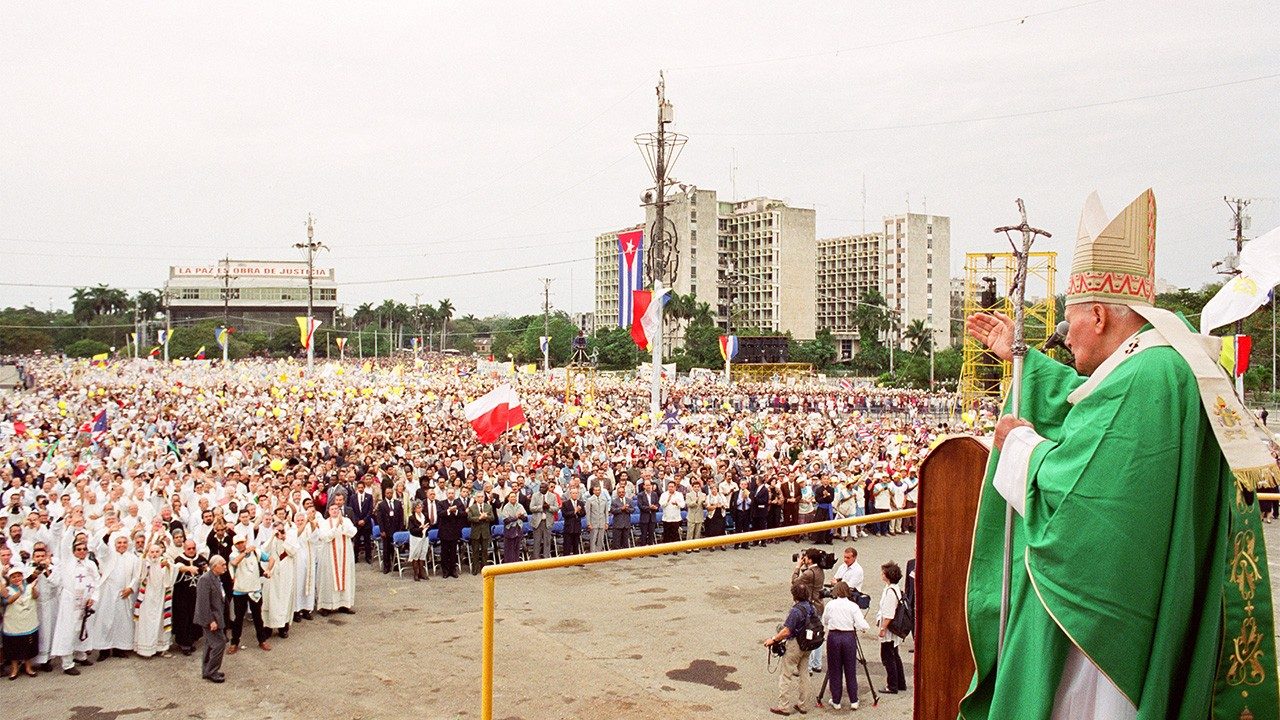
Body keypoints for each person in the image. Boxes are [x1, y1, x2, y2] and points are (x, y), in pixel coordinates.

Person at [963, 189, 1279, 718]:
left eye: (1071, 319)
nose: (1065, 336)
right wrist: (1024, 362)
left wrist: (1018, 445)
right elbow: (1096, 416)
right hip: (1158, 586)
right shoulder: (1163, 362)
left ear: (1102, 317)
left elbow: (1084, 493)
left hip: (1111, 626)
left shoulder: (1145, 376)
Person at [762, 583, 815, 716]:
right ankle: (803, 705)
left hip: (795, 644)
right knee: (804, 673)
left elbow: (787, 631)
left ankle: (784, 706)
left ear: (794, 595)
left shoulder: (796, 611)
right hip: (808, 644)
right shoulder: (811, 607)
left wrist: (773, 640)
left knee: (786, 675)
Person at [50, 535, 98, 675]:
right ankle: (67, 664)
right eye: (78, 549)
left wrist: (93, 598)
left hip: (86, 602)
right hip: (70, 603)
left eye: (84, 549)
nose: (82, 551)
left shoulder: (91, 564)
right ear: (73, 551)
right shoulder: (67, 563)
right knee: (69, 631)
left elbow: (97, 581)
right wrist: (71, 524)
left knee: (83, 629)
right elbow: (64, 543)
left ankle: (81, 656)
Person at [821, 581, 870, 711]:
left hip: (834, 637)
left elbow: (825, 621)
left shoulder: (831, 605)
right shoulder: (853, 606)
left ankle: (836, 700)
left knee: (834, 669)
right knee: (850, 669)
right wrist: (863, 627)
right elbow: (861, 624)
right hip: (848, 637)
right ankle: (854, 700)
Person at [92, 532, 137, 660]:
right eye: (119, 543)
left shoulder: (132, 558)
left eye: (124, 543)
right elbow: (102, 549)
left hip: (124, 593)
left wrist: (131, 588)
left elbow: (136, 575)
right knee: (106, 620)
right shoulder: (109, 555)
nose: (122, 545)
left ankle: (119, 649)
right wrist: (108, 534)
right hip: (108, 592)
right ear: (114, 544)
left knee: (122, 621)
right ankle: (104, 650)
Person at [227, 533, 271, 653]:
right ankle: (234, 642)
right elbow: (234, 562)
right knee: (238, 618)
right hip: (239, 591)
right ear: (235, 545)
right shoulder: (233, 554)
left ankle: (262, 640)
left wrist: (268, 570)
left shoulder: (256, 552)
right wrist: (245, 552)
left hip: (254, 590)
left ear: (245, 541)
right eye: (238, 543)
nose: (241, 545)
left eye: (242, 542)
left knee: (257, 617)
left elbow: (270, 558)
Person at [132, 541, 175, 658]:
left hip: (161, 597)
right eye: (152, 552)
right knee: (147, 622)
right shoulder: (145, 561)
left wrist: (168, 567)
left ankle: (161, 647)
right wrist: (145, 557)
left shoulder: (165, 561)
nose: (154, 554)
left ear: (161, 551)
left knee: (161, 621)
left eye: (157, 551)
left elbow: (172, 575)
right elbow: (140, 575)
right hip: (147, 597)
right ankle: (146, 649)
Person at [314, 503, 356, 614]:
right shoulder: (325, 523)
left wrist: (343, 527)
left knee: (345, 576)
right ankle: (326, 606)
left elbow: (353, 532)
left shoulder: (346, 521)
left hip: (345, 553)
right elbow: (325, 537)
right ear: (328, 511)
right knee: (329, 578)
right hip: (329, 554)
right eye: (332, 509)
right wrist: (336, 526)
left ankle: (344, 604)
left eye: (336, 509)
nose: (334, 511)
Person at [791, 547, 825, 675]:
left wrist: (797, 567)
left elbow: (795, 582)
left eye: (805, 557)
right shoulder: (819, 570)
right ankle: (817, 663)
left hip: (811, 607)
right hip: (819, 604)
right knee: (817, 633)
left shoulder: (809, 573)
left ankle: (808, 667)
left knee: (809, 636)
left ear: (810, 560)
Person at [193, 556, 227, 683]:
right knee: (219, 643)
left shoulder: (216, 577)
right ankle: (212, 671)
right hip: (210, 618)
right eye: (222, 564)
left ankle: (207, 670)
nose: (225, 567)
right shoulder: (205, 580)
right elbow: (203, 602)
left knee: (209, 643)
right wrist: (210, 620)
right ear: (214, 566)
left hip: (216, 616)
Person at [171, 539, 207, 655]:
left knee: (194, 618)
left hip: (196, 596)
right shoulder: (179, 559)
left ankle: (191, 640)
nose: (191, 551)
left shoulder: (200, 559)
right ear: (184, 548)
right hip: (182, 596)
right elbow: (178, 568)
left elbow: (207, 569)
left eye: (193, 548)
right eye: (189, 549)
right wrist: (188, 569)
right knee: (183, 619)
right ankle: (183, 643)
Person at [875, 561, 907, 695]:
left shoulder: (890, 592)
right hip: (894, 629)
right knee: (895, 654)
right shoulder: (895, 588)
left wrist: (882, 628)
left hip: (889, 629)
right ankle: (901, 683)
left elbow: (888, 614)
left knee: (888, 656)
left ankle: (892, 685)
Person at [2, 565, 39, 679]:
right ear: (10, 579)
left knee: (28, 646)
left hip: (28, 623)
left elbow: (36, 596)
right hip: (13, 625)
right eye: (14, 577)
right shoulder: (7, 590)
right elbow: (7, 601)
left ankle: (28, 667)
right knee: (14, 647)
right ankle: (14, 669)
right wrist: (19, 592)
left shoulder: (29, 586)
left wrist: (33, 588)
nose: (17, 578)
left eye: (19, 576)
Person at [261, 521, 296, 638]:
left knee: (285, 600)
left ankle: (283, 628)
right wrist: (272, 537)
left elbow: (293, 552)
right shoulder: (271, 539)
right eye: (277, 530)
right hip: (273, 573)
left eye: (281, 530)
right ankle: (268, 628)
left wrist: (284, 539)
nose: (279, 533)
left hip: (286, 573)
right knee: (270, 600)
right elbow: (264, 550)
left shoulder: (290, 538)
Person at [436, 487, 466, 578]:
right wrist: (449, 510)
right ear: (446, 494)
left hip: (454, 532)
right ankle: (445, 571)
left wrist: (456, 511)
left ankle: (453, 570)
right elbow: (440, 513)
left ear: (454, 494)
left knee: (453, 552)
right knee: (444, 552)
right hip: (444, 532)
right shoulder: (441, 503)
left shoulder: (458, 503)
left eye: (452, 493)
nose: (451, 495)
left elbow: (463, 514)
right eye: (449, 493)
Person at [373, 487, 403, 574]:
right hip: (386, 530)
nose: (389, 494)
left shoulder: (397, 503)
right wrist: (382, 530)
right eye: (387, 493)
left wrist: (400, 528)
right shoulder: (381, 504)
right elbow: (380, 519)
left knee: (396, 548)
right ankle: (386, 566)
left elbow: (401, 517)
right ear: (385, 494)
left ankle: (396, 565)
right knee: (386, 549)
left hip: (396, 529)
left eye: (390, 493)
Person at [467, 491, 494, 575]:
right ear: (475, 498)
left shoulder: (488, 507)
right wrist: (479, 518)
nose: (480, 498)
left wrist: (486, 517)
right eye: (478, 497)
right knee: (475, 551)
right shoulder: (472, 507)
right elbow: (469, 518)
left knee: (485, 551)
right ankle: (475, 569)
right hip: (476, 532)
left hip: (485, 532)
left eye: (482, 497)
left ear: (484, 498)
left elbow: (492, 518)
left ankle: (484, 569)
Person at [527, 481, 555, 560]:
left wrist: (549, 507)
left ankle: (546, 558)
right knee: (537, 541)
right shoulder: (535, 495)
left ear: (547, 488)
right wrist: (541, 507)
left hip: (548, 521)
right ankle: (536, 559)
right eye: (540, 487)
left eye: (543, 487)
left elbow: (556, 508)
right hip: (537, 522)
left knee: (547, 541)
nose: (541, 489)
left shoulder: (552, 496)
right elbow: (531, 508)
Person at [499, 492, 526, 564]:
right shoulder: (506, 507)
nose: (513, 498)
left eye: (514, 496)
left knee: (517, 548)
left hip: (518, 529)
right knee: (509, 549)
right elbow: (505, 520)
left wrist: (521, 516)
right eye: (511, 497)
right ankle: (509, 566)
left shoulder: (520, 506)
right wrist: (515, 517)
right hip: (509, 530)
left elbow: (525, 518)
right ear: (508, 498)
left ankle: (516, 565)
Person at [407, 500, 429, 581]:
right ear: (414, 509)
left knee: (422, 554)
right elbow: (412, 530)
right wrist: (421, 528)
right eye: (418, 507)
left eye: (421, 507)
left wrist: (427, 527)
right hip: (416, 538)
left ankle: (422, 573)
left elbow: (429, 523)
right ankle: (416, 573)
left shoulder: (425, 515)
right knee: (416, 555)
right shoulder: (411, 518)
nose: (420, 509)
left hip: (424, 537)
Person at [584, 484, 609, 553]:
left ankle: (599, 552)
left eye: (599, 490)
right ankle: (592, 553)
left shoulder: (604, 499)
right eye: (596, 490)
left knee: (601, 539)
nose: (597, 491)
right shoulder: (589, 500)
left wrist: (607, 522)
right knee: (593, 538)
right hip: (593, 522)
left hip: (602, 521)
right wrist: (588, 523)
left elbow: (606, 512)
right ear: (593, 491)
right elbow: (588, 513)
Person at [559, 487, 584, 556]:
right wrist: (574, 511)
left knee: (576, 545)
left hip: (577, 526)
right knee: (567, 545)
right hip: (568, 527)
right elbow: (564, 514)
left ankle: (577, 561)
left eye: (576, 493)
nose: (575, 495)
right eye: (573, 493)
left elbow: (583, 513)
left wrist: (579, 511)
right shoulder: (565, 503)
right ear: (570, 494)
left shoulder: (580, 503)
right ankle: (566, 562)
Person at [703, 483, 727, 548]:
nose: (713, 490)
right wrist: (716, 506)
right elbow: (708, 508)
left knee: (721, 530)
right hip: (712, 515)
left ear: (717, 489)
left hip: (721, 514)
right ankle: (713, 545)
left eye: (715, 489)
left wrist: (721, 505)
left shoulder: (721, 495)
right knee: (712, 530)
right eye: (712, 489)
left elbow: (726, 505)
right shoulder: (708, 496)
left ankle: (722, 545)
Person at [636, 480, 659, 546]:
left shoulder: (654, 494)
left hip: (652, 517)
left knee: (651, 534)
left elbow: (657, 503)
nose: (648, 486)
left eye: (649, 485)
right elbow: (640, 506)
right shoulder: (640, 495)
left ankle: (651, 550)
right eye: (647, 485)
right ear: (644, 486)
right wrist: (650, 507)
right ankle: (643, 551)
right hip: (644, 518)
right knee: (644, 534)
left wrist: (656, 507)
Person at [608, 486, 631, 550]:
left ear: (625, 492)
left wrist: (627, 509)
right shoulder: (614, 501)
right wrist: (621, 508)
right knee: (616, 541)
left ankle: (626, 554)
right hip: (618, 523)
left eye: (623, 492)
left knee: (626, 540)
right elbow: (612, 510)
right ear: (617, 493)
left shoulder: (629, 500)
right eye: (620, 492)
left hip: (626, 523)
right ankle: (616, 555)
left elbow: (633, 510)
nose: (621, 493)